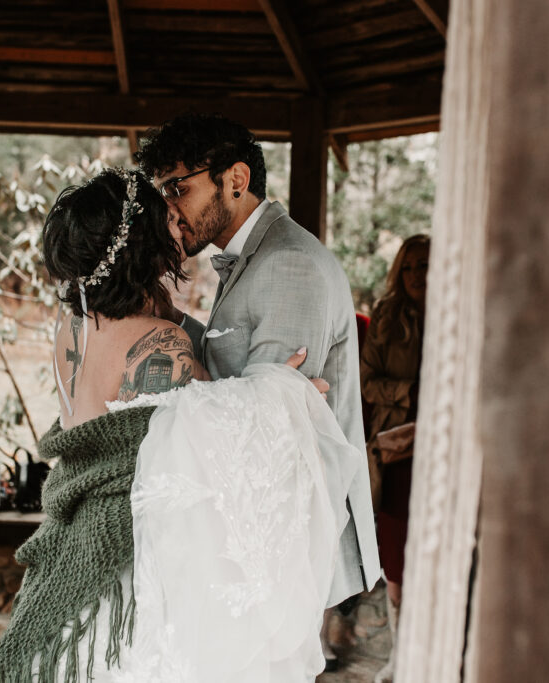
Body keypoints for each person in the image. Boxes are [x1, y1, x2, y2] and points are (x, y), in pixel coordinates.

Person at [0, 169, 360, 683]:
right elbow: (202, 442)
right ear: (143, 239)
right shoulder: (161, 343)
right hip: (130, 560)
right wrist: (282, 395)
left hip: (74, 537)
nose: (176, 216)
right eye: (164, 209)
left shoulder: (72, 322)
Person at [134, 113, 380, 669]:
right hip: (268, 539)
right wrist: (169, 322)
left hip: (302, 554)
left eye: (180, 187)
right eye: (163, 191)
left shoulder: (289, 264)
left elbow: (271, 431)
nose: (170, 208)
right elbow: (239, 366)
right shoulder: (257, 257)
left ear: (236, 179)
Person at [360, 233, 430, 683]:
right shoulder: (386, 319)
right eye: (407, 267)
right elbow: (366, 384)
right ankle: (399, 656)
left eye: (424, 266)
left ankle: (431, 650)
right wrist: (409, 393)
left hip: (440, 447)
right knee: (396, 557)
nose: (415, 276)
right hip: (398, 449)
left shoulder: (459, 313)